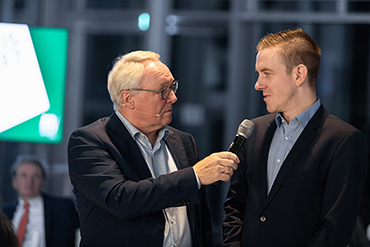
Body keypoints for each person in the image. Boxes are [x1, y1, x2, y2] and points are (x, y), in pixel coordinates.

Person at [67, 50, 239, 247]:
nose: (173, 97)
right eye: (162, 90)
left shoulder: (183, 141)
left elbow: (200, 220)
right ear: (128, 98)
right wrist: (194, 177)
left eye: (173, 87)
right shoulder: (90, 141)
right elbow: (121, 199)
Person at [222, 28, 368, 247]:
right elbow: (235, 207)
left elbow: (335, 228)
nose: (258, 84)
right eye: (258, 74)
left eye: (267, 73)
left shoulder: (343, 140)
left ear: (299, 74)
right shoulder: (254, 131)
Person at [2, 155, 80, 247]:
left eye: (35, 176)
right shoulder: (4, 213)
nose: (29, 181)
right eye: (24, 176)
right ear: (15, 182)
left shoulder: (62, 208)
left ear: (42, 181)